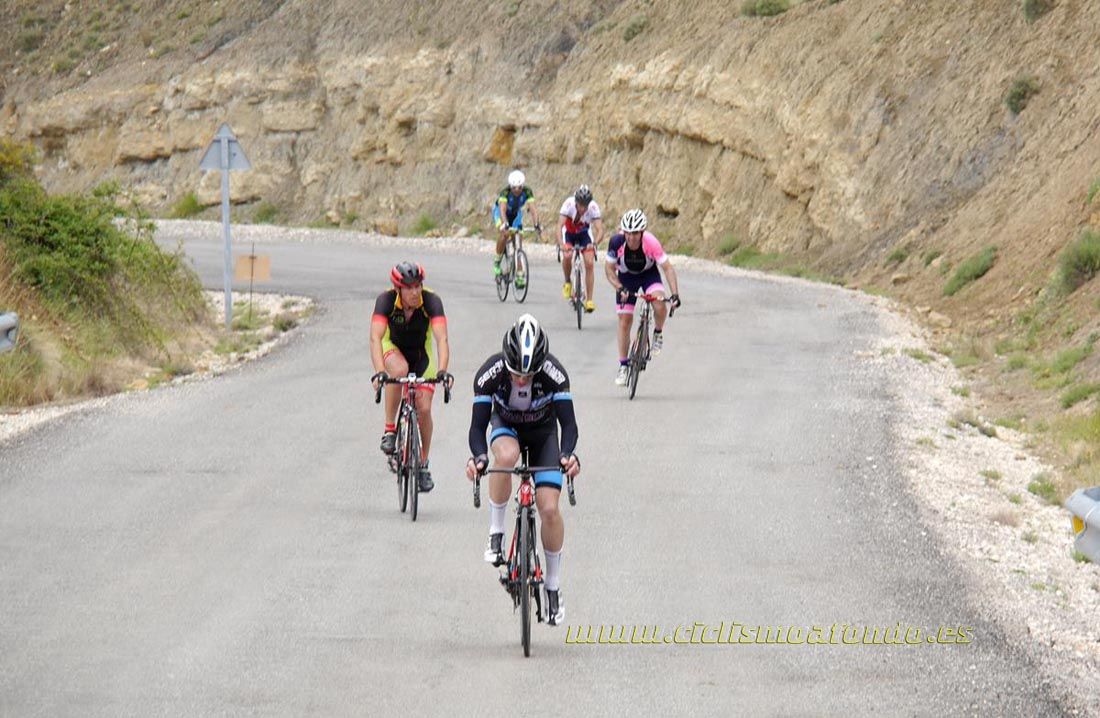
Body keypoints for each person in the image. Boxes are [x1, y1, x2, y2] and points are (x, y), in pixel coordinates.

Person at [465, 314, 580, 626]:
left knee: (549, 509)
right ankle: (496, 533)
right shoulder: (490, 373)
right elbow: (477, 427)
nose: (520, 380)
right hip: (507, 428)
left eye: (528, 375)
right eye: (515, 373)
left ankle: (552, 587)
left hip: (544, 435)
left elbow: (569, 426)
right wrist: (478, 457)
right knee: (506, 455)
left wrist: (568, 456)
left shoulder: (555, 374)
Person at [370, 262, 454, 493]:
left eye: (418, 286)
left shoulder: (431, 301)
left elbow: (442, 339)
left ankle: (423, 464)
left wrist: (443, 371)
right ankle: (390, 430)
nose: (415, 292)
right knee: (399, 371)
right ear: (398, 289)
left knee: (424, 409)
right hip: (393, 349)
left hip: (421, 356)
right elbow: (375, 338)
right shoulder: (386, 301)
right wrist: (379, 371)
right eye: (409, 287)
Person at [604, 209, 682, 386]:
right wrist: (619, 287)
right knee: (624, 320)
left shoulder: (651, 242)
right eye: (628, 233)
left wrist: (675, 294)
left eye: (635, 233)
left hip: (649, 275)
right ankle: (623, 366)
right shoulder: (616, 242)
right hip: (626, 278)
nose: (631, 238)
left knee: (659, 304)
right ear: (623, 232)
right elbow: (609, 269)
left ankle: (658, 333)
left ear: (642, 232)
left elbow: (667, 268)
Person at [557, 184, 605, 313]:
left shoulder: (593, 208)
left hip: (584, 235)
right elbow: (559, 226)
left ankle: (589, 300)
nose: (583, 208)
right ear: (576, 202)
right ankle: (567, 281)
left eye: (585, 205)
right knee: (567, 256)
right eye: (580, 205)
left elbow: (600, 230)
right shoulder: (568, 204)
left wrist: (594, 244)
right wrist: (562, 244)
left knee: (589, 262)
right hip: (568, 234)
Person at [492, 169, 540, 283]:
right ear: (510, 186)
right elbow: (502, 210)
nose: (517, 190)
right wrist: (505, 224)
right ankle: (497, 262)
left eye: (519, 188)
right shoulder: (505, 192)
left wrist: (536, 224)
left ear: (523, 186)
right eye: (514, 188)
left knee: (518, 242)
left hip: (515, 214)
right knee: (505, 234)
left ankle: (519, 274)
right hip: (500, 213)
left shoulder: (527, 191)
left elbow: (533, 209)